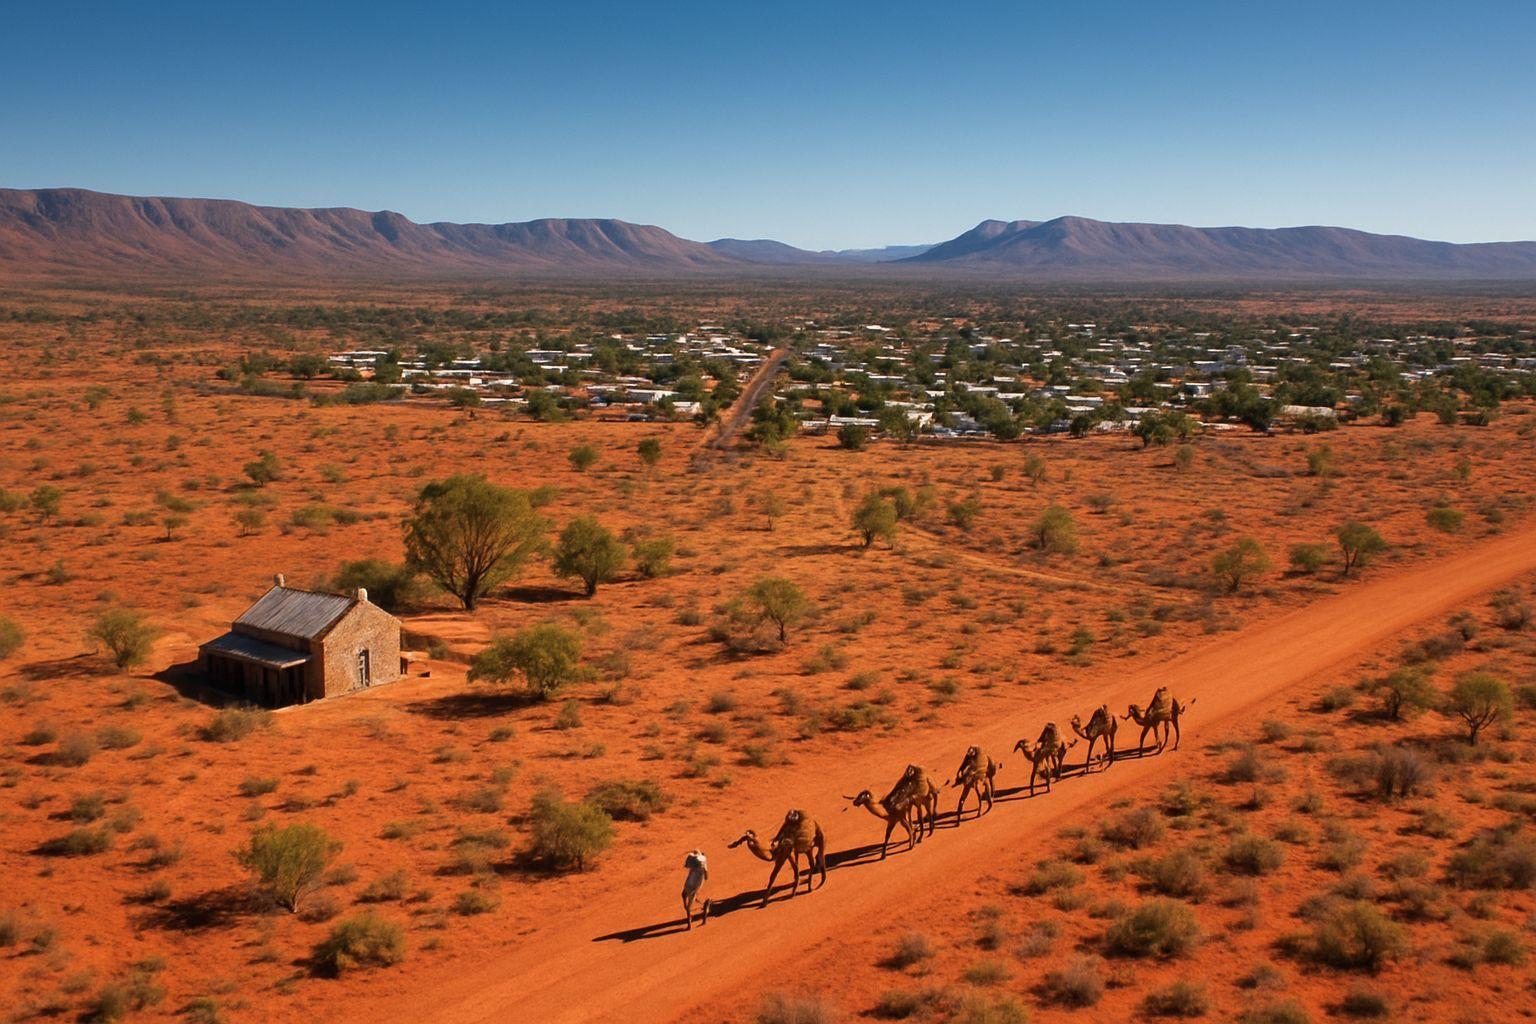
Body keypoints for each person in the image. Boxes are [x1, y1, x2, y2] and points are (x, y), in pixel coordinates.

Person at [682, 848, 710, 929]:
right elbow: (706, 876)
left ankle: (689, 924)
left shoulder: (695, 865)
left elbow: (687, 865)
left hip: (690, 885)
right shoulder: (702, 864)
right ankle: (691, 920)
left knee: (687, 903)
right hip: (694, 886)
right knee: (687, 900)